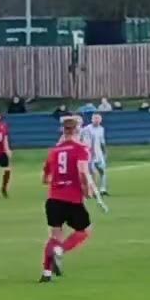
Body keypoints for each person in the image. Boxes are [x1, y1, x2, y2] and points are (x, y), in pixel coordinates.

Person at [40, 116, 98, 283]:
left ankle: (46, 273)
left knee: (54, 235)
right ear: (78, 130)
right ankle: (61, 250)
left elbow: (45, 178)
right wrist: (87, 190)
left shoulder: (54, 151)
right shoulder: (81, 149)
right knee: (84, 231)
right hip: (72, 199)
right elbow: (82, 172)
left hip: (54, 199)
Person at [80, 113, 109, 196]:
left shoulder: (101, 129)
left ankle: (103, 189)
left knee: (102, 171)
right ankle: (92, 190)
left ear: (101, 120)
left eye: (98, 118)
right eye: (95, 118)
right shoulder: (86, 129)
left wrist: (104, 151)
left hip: (99, 154)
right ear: (92, 119)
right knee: (92, 172)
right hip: (90, 154)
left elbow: (102, 141)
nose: (96, 120)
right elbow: (82, 141)